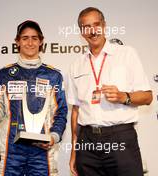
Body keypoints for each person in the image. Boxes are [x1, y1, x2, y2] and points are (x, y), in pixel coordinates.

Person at [67, 7, 153, 176]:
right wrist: (74, 150)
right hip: (87, 141)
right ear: (81, 32)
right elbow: (76, 110)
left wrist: (124, 97)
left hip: (120, 137)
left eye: (96, 24)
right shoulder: (76, 65)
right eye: (86, 27)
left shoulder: (126, 54)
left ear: (104, 25)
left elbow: (148, 97)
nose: (92, 31)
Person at [0, 20, 68, 175]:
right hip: (11, 151)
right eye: (25, 38)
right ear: (17, 42)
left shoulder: (53, 76)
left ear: (41, 42)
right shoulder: (5, 74)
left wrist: (53, 137)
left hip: (42, 151)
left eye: (34, 38)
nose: (30, 42)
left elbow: (61, 112)